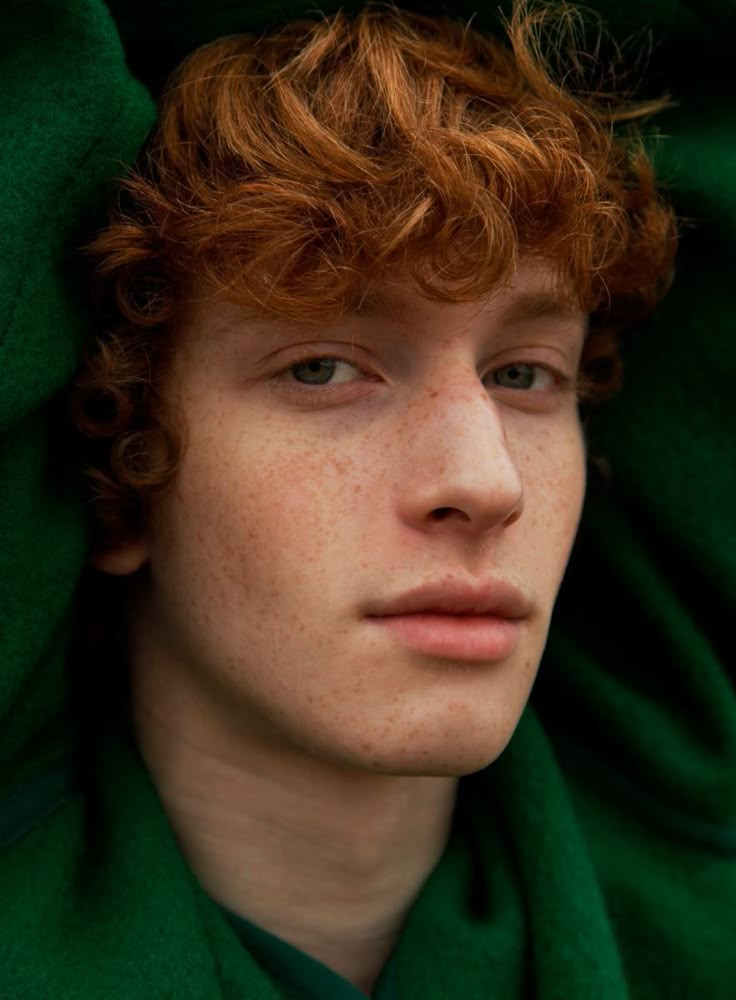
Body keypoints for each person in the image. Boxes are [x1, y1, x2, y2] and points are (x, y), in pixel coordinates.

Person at [1, 2, 734, 999]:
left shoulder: (693, 867)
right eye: (321, 369)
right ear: (123, 474)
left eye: (523, 376)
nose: (486, 483)